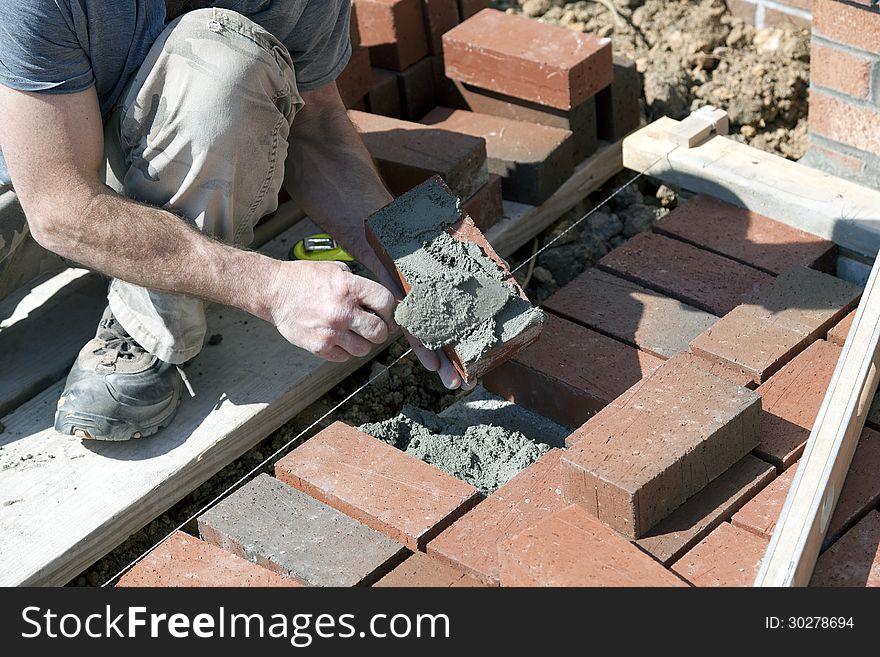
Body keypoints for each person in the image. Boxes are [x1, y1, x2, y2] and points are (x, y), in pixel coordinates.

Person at [0, 1, 467, 442]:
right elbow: (59, 207)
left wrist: (405, 255)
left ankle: (146, 316)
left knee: (224, 63)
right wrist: (273, 288)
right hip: (34, 162)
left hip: (139, 148)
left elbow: (317, 127)